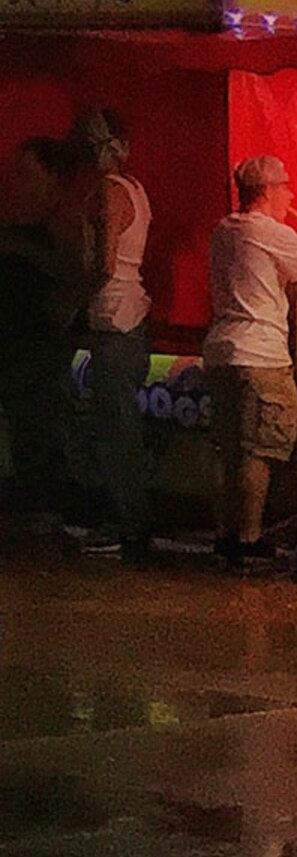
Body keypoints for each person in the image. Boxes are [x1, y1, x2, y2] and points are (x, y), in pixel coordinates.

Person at [202, 155, 297, 565]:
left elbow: (271, 286)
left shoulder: (223, 231)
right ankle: (247, 539)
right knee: (257, 451)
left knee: (227, 449)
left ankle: (223, 532)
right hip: (260, 351)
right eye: (285, 186)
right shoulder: (272, 233)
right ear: (266, 191)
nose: (291, 195)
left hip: (221, 348)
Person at [61, 107, 153, 555]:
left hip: (111, 319)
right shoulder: (136, 189)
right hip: (131, 317)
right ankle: (126, 519)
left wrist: (71, 302)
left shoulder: (105, 191)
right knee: (119, 426)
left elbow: (104, 263)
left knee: (115, 429)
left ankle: (124, 523)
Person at [0, 135, 79, 535]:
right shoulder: (13, 226)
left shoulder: (62, 226)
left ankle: (49, 505)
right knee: (21, 423)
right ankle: (29, 502)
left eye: (27, 174)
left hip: (42, 342)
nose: (17, 183)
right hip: (12, 339)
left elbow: (76, 274)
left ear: (52, 179)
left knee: (42, 422)